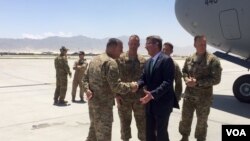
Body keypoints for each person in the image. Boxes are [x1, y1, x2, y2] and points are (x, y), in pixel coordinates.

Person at [82, 38, 138, 141]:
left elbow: (84, 78)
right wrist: (131, 86)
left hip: (93, 104)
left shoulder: (95, 59)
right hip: (103, 107)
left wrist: (87, 90)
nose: (122, 51)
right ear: (113, 48)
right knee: (104, 136)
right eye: (120, 48)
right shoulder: (110, 63)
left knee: (93, 133)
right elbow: (116, 86)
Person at [179, 35, 222, 141]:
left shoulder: (213, 60)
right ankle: (184, 137)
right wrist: (186, 80)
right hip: (188, 96)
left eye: (204, 44)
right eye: (200, 44)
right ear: (195, 45)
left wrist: (197, 83)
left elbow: (216, 79)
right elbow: (184, 71)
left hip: (204, 98)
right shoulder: (190, 58)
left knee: (202, 121)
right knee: (185, 119)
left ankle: (200, 139)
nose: (203, 46)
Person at [137, 35, 179, 141]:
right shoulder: (148, 62)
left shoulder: (166, 60)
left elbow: (168, 82)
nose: (145, 46)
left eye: (148, 44)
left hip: (163, 103)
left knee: (161, 133)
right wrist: (137, 85)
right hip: (150, 104)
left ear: (156, 45)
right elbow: (143, 79)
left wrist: (153, 94)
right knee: (149, 132)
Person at [115, 35, 146, 141]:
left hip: (139, 99)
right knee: (124, 125)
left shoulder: (142, 60)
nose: (133, 46)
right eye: (131, 43)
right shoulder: (120, 59)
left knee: (142, 125)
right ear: (128, 44)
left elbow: (146, 78)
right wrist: (116, 94)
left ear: (138, 45)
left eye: (135, 44)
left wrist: (146, 94)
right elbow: (114, 78)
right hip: (124, 98)